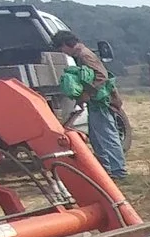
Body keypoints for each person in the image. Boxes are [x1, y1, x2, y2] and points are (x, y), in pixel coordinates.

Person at [50, 30, 130, 181]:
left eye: (62, 49)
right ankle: (107, 170)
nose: (63, 53)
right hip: (96, 101)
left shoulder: (84, 55)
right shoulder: (81, 55)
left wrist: (87, 94)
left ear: (68, 44)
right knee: (97, 137)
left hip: (102, 101)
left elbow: (101, 76)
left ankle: (118, 171)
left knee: (107, 136)